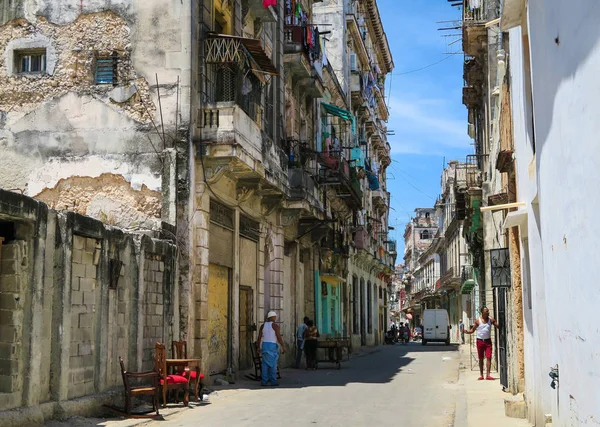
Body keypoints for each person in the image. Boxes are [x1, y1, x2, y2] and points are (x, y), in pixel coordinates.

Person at [464, 307, 498, 380]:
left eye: (488, 311)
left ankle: (488, 375)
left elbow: (497, 326)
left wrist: (495, 322)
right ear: (482, 312)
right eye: (486, 311)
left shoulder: (490, 319)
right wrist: (466, 331)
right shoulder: (478, 320)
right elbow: (472, 330)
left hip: (488, 341)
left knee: (489, 357)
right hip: (480, 341)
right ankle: (481, 375)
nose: (488, 312)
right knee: (481, 358)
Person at [257, 311, 286, 386]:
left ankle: (264, 381)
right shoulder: (275, 326)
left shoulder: (263, 326)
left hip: (265, 345)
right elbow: (279, 337)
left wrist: (258, 347)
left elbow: (259, 337)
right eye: (275, 317)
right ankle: (273, 380)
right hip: (272, 345)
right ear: (272, 317)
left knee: (265, 364)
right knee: (273, 363)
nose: (275, 318)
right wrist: (283, 346)